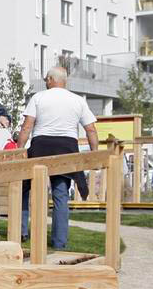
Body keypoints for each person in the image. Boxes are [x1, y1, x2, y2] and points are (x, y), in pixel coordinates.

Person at [15, 66, 99, 250]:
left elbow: (27, 127)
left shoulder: (38, 97)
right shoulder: (77, 100)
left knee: (26, 188)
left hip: (41, 146)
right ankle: (59, 243)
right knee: (60, 194)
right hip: (66, 148)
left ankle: (21, 232)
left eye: (46, 79)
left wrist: (18, 150)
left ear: (52, 79)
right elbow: (91, 129)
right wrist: (94, 155)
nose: (45, 82)